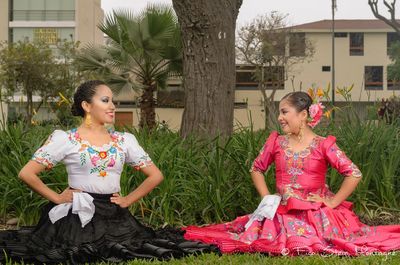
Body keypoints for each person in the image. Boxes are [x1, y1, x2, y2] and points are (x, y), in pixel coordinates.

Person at [0, 80, 214, 264]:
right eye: (105, 100)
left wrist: (128, 200)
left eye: (112, 100)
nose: (113, 106)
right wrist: (57, 198)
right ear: (86, 105)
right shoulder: (66, 139)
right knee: (77, 251)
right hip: (77, 216)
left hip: (114, 214)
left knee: (127, 248)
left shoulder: (124, 141)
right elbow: (26, 173)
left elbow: (156, 175)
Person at [183, 91, 400, 256]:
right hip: (282, 210)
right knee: (247, 234)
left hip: (316, 212)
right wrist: (267, 197)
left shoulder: (324, 145)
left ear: (304, 114)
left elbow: (353, 173)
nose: (280, 117)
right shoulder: (276, 142)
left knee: (316, 239)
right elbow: (256, 168)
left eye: (285, 112)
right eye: (280, 112)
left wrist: (332, 202)